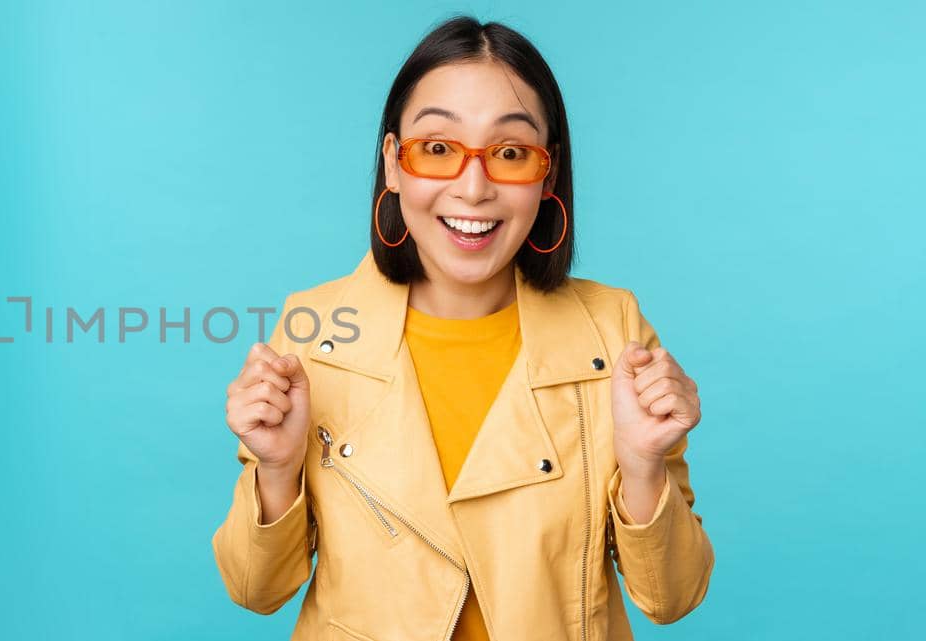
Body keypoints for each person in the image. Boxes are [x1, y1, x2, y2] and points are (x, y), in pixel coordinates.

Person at [211, 16, 714, 641]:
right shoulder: (311, 329)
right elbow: (255, 591)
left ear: (547, 175)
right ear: (394, 163)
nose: (473, 189)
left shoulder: (613, 329)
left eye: (510, 153)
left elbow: (674, 598)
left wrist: (644, 467)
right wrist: (277, 471)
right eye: (439, 148)